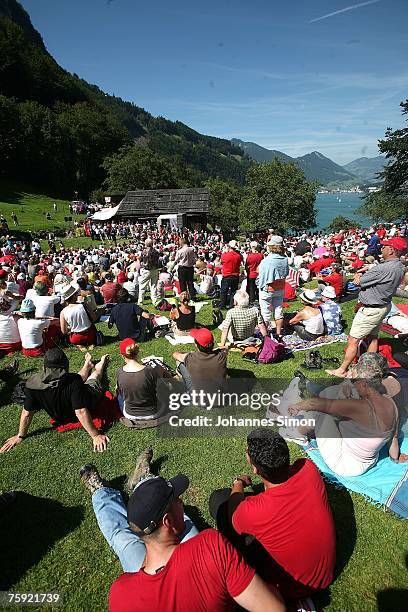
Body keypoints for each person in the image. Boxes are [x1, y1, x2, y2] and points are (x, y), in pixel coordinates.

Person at [79, 454, 284, 612]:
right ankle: (143, 479)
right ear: (167, 523)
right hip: (195, 557)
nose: (181, 502)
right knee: (183, 521)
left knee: (120, 536)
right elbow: (275, 608)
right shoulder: (209, 545)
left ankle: (101, 491)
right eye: (177, 500)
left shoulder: (120, 595)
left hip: (150, 563)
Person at [209, 429, 336, 602]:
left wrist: (237, 483)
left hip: (291, 588)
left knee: (219, 502)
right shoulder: (308, 468)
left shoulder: (253, 512)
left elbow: (234, 513)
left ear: (255, 468)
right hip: (325, 574)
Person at [288, 372, 405, 476]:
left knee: (322, 413)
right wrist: (395, 459)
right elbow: (393, 439)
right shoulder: (392, 408)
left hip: (345, 465)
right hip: (369, 461)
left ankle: (297, 433)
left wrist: (297, 406)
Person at [0, 348, 110, 453]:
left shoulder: (33, 385)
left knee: (77, 379)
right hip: (88, 399)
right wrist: (95, 435)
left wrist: (20, 435)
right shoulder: (73, 381)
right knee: (94, 377)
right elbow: (80, 412)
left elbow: (27, 413)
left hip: (62, 415)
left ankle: (87, 365)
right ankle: (99, 365)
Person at [327, 237, 406, 377]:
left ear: (392, 250)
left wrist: (358, 274)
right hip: (383, 305)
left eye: (385, 246)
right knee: (373, 337)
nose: (382, 248)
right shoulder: (400, 266)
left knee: (353, 340)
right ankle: (369, 367)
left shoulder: (383, 268)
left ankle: (342, 370)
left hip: (371, 309)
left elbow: (358, 282)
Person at [116, 339, 168, 427]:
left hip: (130, 414)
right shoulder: (150, 371)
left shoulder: (119, 372)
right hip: (154, 413)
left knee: (119, 395)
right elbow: (161, 389)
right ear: (137, 351)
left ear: (122, 355)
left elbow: (120, 392)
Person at [173, 328, 227, 395]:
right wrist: (213, 350)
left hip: (198, 399)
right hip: (220, 398)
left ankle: (182, 379)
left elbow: (175, 355)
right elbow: (224, 348)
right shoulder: (221, 356)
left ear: (196, 344)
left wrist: (187, 353)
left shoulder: (191, 357)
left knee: (180, 362)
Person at [257, 236, 288, 340]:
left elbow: (260, 274)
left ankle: (265, 336)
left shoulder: (268, 260)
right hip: (280, 287)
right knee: (278, 310)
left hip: (268, 288)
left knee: (265, 313)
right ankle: (278, 333)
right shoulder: (284, 259)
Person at [219, 240, 242, 309]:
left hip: (227, 275)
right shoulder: (238, 256)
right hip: (235, 275)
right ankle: (231, 305)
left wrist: (226, 251)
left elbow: (221, 262)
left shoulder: (225, 255)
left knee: (224, 291)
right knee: (233, 291)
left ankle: (222, 305)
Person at [138, 238, 160, 305]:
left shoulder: (144, 251)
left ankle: (140, 301)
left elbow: (141, 260)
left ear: (145, 244)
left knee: (142, 286)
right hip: (155, 270)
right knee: (153, 286)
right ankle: (155, 301)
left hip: (147, 270)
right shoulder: (156, 251)